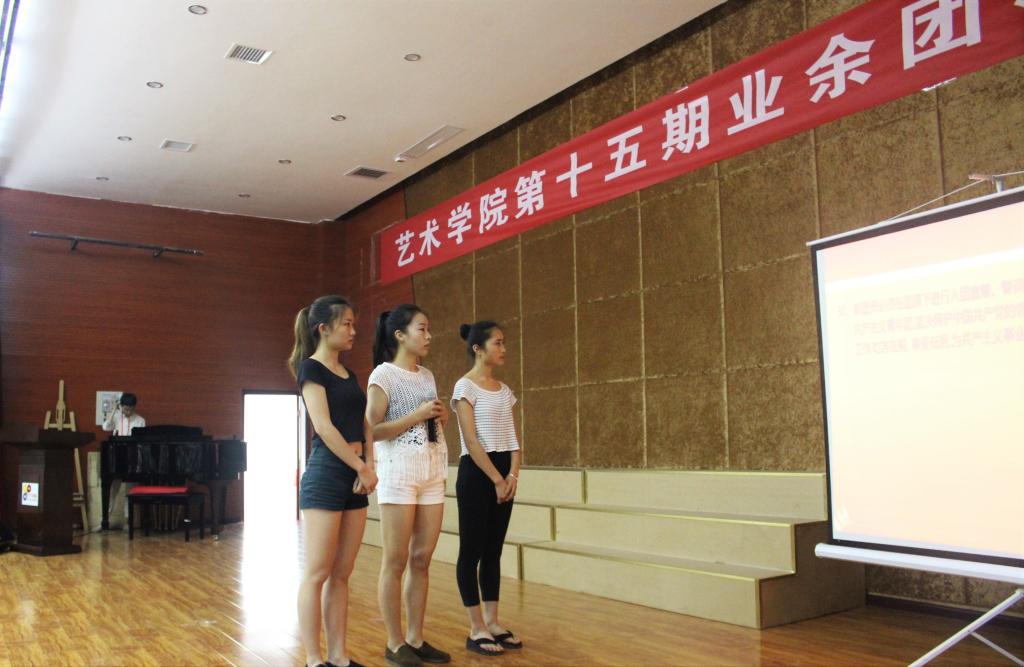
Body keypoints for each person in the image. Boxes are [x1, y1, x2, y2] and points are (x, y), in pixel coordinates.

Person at [288, 295, 378, 667]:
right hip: (327, 472)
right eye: (347, 324)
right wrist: (360, 466)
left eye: (354, 324)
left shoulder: (349, 374)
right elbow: (324, 427)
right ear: (324, 329)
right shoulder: (311, 369)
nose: (354, 331)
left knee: (342, 574)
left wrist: (369, 463)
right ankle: (314, 659)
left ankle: (339, 656)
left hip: (356, 471)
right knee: (318, 572)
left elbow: (365, 422)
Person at [366, 304, 450, 667]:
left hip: (431, 470)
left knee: (421, 559)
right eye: (422, 329)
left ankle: (415, 637)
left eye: (428, 329)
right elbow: (372, 429)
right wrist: (416, 415)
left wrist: (439, 417)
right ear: (400, 335)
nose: (428, 336)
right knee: (396, 560)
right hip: (398, 473)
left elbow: (429, 424)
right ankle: (394, 641)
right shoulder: (383, 375)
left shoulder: (427, 375)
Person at [450, 321, 523, 656]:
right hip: (477, 475)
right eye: (498, 343)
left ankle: (493, 623)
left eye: (504, 343)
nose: (503, 349)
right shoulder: (465, 387)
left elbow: (513, 440)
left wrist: (512, 476)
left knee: (493, 551)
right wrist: (496, 478)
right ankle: (476, 627)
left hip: (503, 476)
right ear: (478, 349)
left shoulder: (505, 390)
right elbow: (471, 440)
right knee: (472, 552)